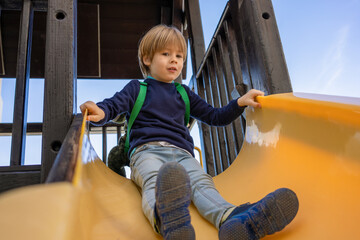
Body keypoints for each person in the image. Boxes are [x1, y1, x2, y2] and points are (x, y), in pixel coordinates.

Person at [80, 25, 299, 240]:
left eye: (179, 56)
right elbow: (114, 105)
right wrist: (100, 111)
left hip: (183, 154)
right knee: (154, 180)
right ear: (147, 59)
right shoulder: (138, 89)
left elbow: (214, 116)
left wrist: (239, 103)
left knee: (201, 183)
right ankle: (166, 220)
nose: (174, 60)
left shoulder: (184, 93)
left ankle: (232, 219)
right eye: (166, 54)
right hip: (147, 151)